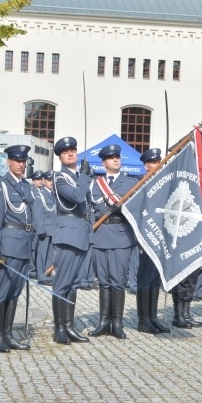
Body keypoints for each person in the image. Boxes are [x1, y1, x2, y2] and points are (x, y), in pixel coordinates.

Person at [0, 145, 35, 352]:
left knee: (15, 292)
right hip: (8, 245)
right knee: (2, 292)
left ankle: (8, 334)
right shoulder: (1, 186)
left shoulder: (27, 186)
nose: (21, 165)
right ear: (9, 161)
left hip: (24, 244)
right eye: (17, 161)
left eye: (24, 161)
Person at [87, 144, 137, 339]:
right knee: (104, 282)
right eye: (111, 157)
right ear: (104, 162)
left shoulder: (130, 183)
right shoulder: (94, 184)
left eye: (117, 156)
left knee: (117, 281)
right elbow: (87, 210)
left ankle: (117, 323)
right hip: (100, 236)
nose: (116, 159)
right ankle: (103, 322)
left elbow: (137, 209)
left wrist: (123, 209)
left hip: (120, 235)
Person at [50, 137, 93, 345]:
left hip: (81, 233)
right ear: (59, 156)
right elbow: (76, 197)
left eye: (73, 150)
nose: (70, 153)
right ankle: (59, 328)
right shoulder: (60, 178)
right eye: (66, 151)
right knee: (62, 283)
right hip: (68, 234)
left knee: (74, 284)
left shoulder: (79, 176)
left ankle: (69, 325)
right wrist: (85, 178)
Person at [136, 148, 170, 334]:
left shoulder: (165, 184)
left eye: (159, 162)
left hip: (161, 237)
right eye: (153, 163)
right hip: (146, 236)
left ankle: (152, 317)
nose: (156, 165)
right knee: (145, 277)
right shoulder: (141, 184)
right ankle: (143, 320)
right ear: (146, 165)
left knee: (156, 278)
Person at [33, 171, 57, 286]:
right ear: (43, 181)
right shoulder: (41, 195)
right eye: (48, 180)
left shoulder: (54, 195)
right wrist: (40, 230)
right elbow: (38, 215)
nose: (51, 183)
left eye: (52, 180)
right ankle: (41, 276)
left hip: (54, 229)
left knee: (51, 254)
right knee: (42, 253)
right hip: (45, 229)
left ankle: (47, 273)